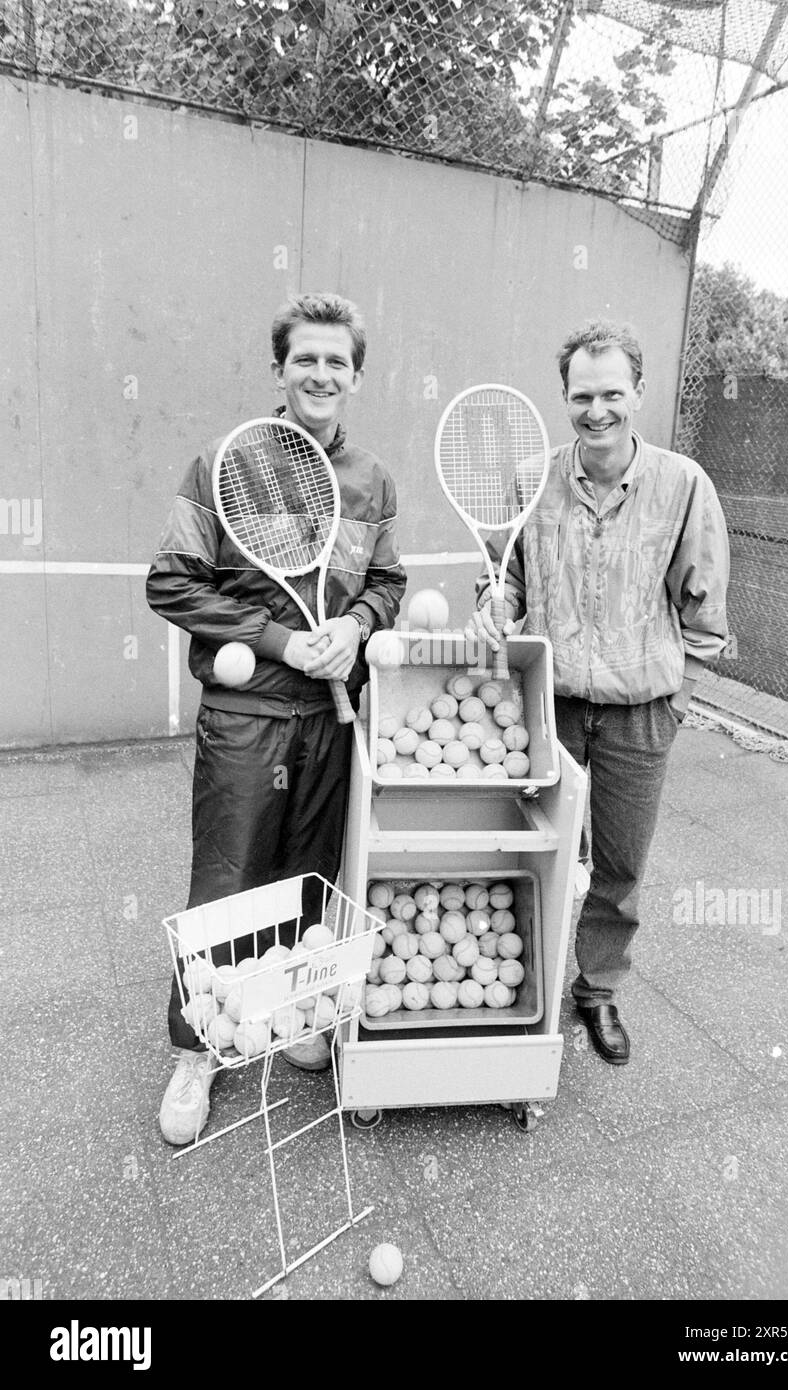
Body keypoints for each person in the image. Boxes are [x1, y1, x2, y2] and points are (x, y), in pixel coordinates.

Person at [147, 292, 406, 1142]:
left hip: (332, 719)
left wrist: (356, 627)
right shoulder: (221, 461)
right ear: (279, 369)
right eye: (305, 358)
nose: (321, 373)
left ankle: (288, 1012)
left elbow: (388, 585)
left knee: (307, 876)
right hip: (247, 712)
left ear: (356, 375)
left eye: (337, 361)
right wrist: (280, 641)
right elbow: (172, 582)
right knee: (227, 881)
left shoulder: (372, 479)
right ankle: (195, 1052)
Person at [467, 319, 729, 1065]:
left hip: (641, 716)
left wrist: (678, 701)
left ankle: (597, 991)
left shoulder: (682, 485)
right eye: (582, 396)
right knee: (532, 851)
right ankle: (523, 983)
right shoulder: (531, 478)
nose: (596, 410)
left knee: (617, 866)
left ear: (638, 393)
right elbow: (503, 578)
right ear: (565, 399)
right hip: (545, 709)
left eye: (612, 393)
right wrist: (492, 603)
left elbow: (704, 608)